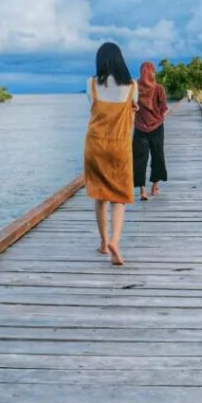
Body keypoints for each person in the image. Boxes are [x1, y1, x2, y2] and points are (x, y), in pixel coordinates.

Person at [84, 42, 137, 266]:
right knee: (119, 197)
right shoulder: (132, 86)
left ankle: (104, 243)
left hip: (95, 145)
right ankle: (115, 241)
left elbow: (93, 107)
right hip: (119, 145)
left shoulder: (91, 84)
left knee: (100, 194)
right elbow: (132, 113)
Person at [134, 61, 170, 200]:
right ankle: (154, 187)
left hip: (139, 128)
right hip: (157, 127)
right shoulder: (159, 88)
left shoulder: (134, 88)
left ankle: (142, 191)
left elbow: (130, 105)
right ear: (153, 72)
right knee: (158, 156)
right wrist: (158, 116)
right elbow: (164, 109)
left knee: (139, 159)